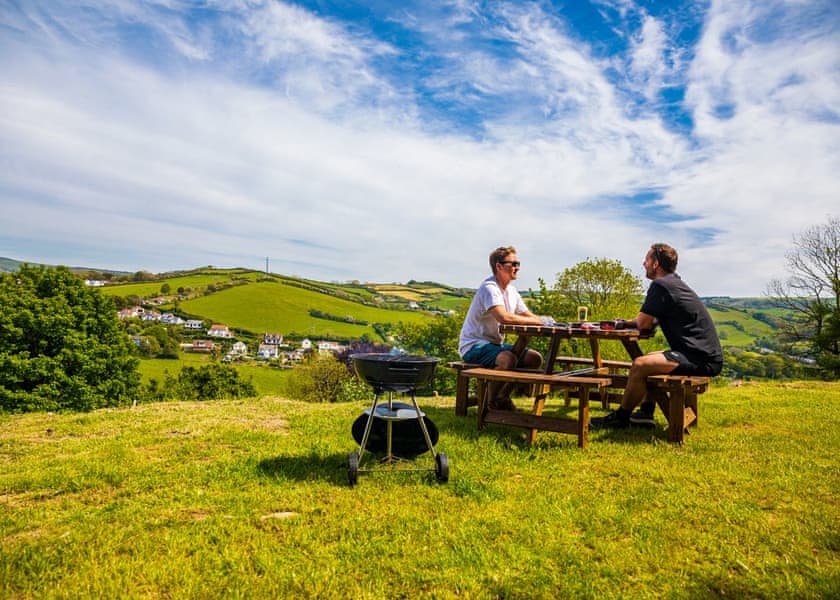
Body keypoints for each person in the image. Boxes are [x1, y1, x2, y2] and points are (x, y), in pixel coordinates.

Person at [590, 243, 723, 429]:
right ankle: (645, 412)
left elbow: (644, 323)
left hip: (700, 359)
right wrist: (628, 323)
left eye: (647, 259)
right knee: (649, 359)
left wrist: (629, 323)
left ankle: (621, 418)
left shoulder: (660, 285)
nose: (643, 263)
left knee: (639, 365)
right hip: (701, 354)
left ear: (655, 264)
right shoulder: (674, 283)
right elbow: (647, 321)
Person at [458, 246, 544, 410]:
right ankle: (489, 404)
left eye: (518, 263)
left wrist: (542, 321)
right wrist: (537, 322)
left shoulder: (512, 291)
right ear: (498, 266)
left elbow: (528, 315)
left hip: (494, 345)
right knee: (508, 359)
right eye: (513, 264)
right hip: (473, 345)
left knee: (535, 359)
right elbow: (503, 317)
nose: (517, 267)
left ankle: (502, 397)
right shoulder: (489, 288)